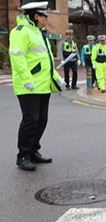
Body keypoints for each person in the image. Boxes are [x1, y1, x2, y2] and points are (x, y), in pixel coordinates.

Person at [9, 1, 64, 171]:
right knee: (30, 120)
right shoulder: (20, 32)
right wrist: (27, 79)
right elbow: (17, 57)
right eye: (44, 16)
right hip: (28, 85)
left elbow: (46, 59)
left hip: (43, 84)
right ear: (36, 16)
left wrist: (56, 77)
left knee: (41, 120)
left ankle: (33, 151)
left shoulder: (39, 33)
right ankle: (23, 155)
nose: (46, 19)